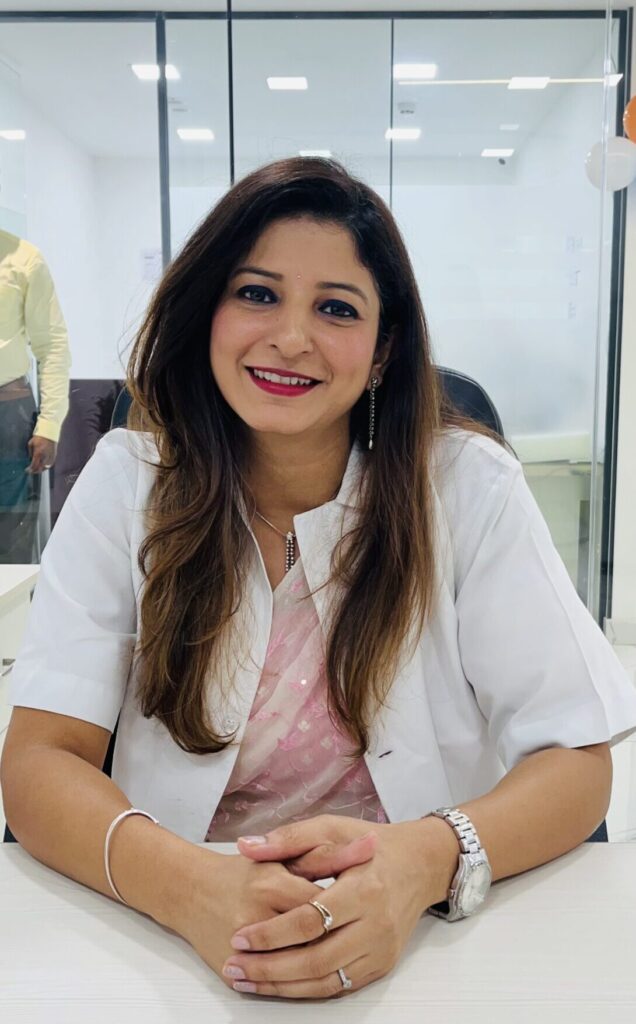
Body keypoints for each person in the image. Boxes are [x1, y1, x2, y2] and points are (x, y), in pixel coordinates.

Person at [2, 158, 636, 1002]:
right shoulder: (127, 485)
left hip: (429, 945)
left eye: (336, 308)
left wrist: (426, 860)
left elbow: (576, 759)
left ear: (382, 352)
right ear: (207, 312)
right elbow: (41, 762)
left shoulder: (466, 487)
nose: (291, 337)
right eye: (256, 294)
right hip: (170, 942)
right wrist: (190, 889)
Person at [0, 229, 71, 562]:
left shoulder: (25, 259)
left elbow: (52, 345)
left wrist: (49, 424)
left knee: (12, 546)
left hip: (8, 416)